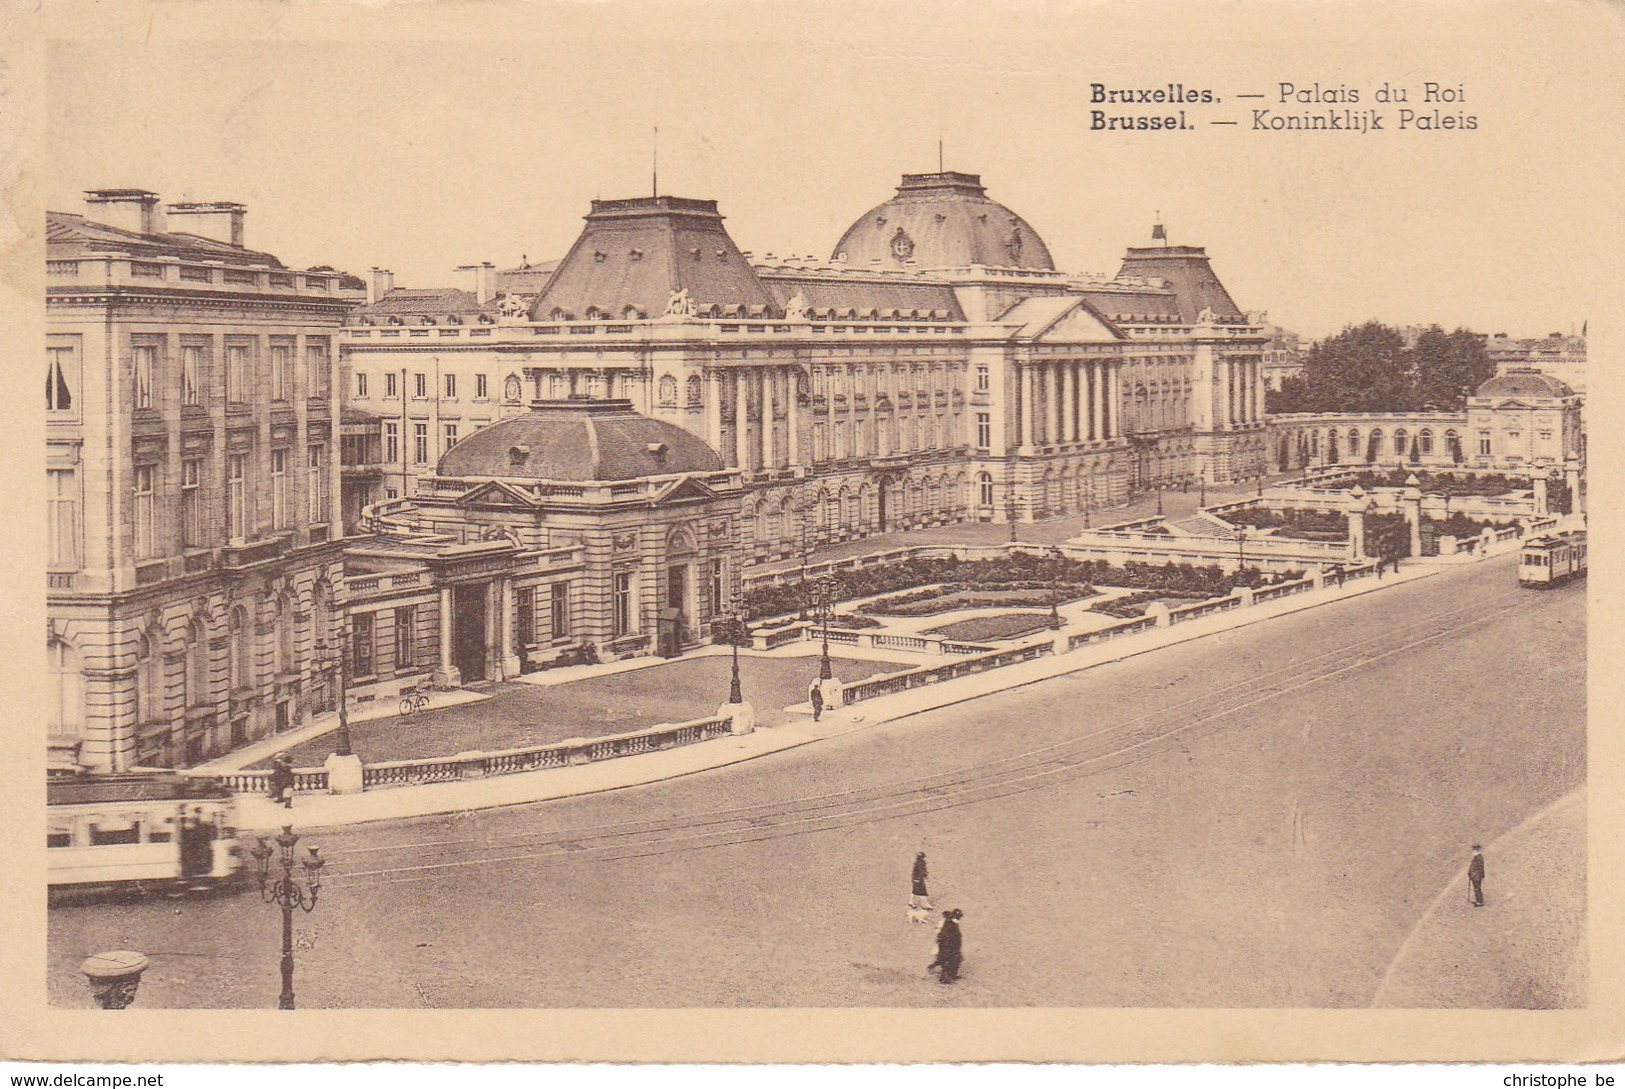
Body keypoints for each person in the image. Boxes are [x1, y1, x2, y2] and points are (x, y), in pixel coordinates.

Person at [928, 909, 964, 984]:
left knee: (954, 960)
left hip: (951, 947)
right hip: (949, 947)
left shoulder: (950, 923)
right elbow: (945, 937)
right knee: (950, 961)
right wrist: (948, 948)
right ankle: (945, 978)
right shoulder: (951, 925)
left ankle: (950, 976)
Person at [909, 852, 932, 921]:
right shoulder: (921, 862)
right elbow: (922, 871)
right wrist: (920, 878)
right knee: (923, 892)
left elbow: (917, 872)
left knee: (915, 890)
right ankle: (925, 904)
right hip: (918, 879)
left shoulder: (917, 862)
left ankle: (911, 902)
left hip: (915, 879)